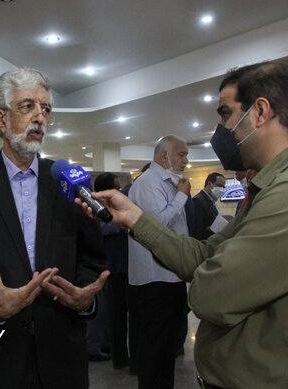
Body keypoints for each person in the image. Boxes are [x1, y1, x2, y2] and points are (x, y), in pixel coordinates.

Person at [76, 62, 288, 389]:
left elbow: (211, 295)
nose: (221, 128)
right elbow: (204, 254)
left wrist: (205, 277)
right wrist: (135, 218)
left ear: (260, 112)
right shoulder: (274, 187)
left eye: (226, 114)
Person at [0, 68, 108, 389]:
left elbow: (92, 258)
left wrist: (85, 299)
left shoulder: (72, 180)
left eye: (45, 109)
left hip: (62, 357)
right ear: (0, 118)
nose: (39, 117)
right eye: (27, 106)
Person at [128, 135, 191, 389]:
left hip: (172, 276)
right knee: (154, 349)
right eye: (181, 154)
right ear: (164, 156)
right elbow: (156, 227)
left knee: (168, 347)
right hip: (155, 279)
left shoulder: (170, 183)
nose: (186, 160)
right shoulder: (147, 184)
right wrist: (182, 197)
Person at [93, 173, 135, 370]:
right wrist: (118, 227)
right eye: (115, 188)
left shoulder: (123, 205)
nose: (118, 192)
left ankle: (134, 359)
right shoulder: (94, 206)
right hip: (111, 269)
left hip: (129, 267)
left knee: (133, 317)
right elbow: (96, 229)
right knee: (115, 318)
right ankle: (119, 358)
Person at [191, 172, 232, 240]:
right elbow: (197, 231)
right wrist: (212, 228)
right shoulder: (198, 201)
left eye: (223, 187)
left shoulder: (211, 201)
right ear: (209, 184)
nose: (221, 189)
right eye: (219, 185)